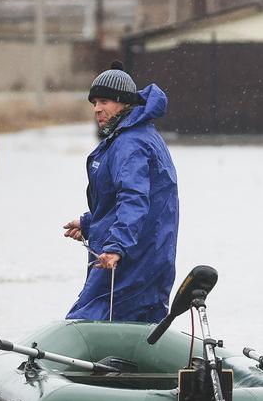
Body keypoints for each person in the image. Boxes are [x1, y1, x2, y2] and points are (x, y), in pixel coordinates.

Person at [62, 62, 178, 322]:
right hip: (143, 254)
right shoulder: (133, 136)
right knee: (134, 325)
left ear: (124, 103)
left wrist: (116, 247)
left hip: (130, 260)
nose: (97, 109)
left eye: (104, 101)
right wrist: (89, 222)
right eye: (93, 103)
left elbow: (134, 199)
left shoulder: (130, 143)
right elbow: (123, 202)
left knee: (85, 320)